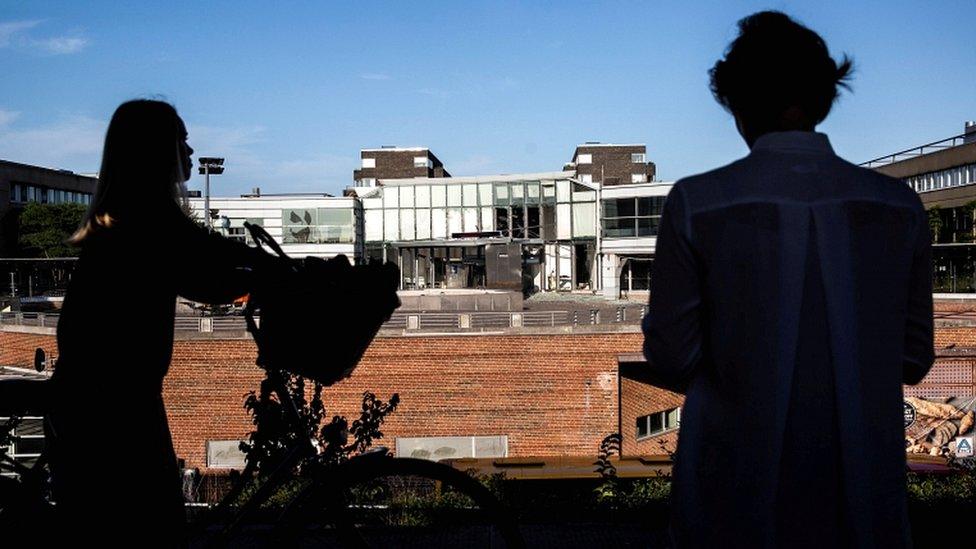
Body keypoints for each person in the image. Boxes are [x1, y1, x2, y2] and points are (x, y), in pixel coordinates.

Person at [641, 11, 934, 549]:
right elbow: (914, 359)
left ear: (736, 102)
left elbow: (671, 356)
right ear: (824, 97)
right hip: (864, 494)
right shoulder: (900, 208)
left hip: (729, 490)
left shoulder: (697, 203)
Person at [48, 99, 288, 545]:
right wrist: (282, 274)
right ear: (154, 150)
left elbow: (213, 255)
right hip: (112, 407)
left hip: (107, 399)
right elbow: (209, 274)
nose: (191, 148)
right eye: (181, 137)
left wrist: (261, 268)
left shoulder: (137, 219)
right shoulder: (145, 224)